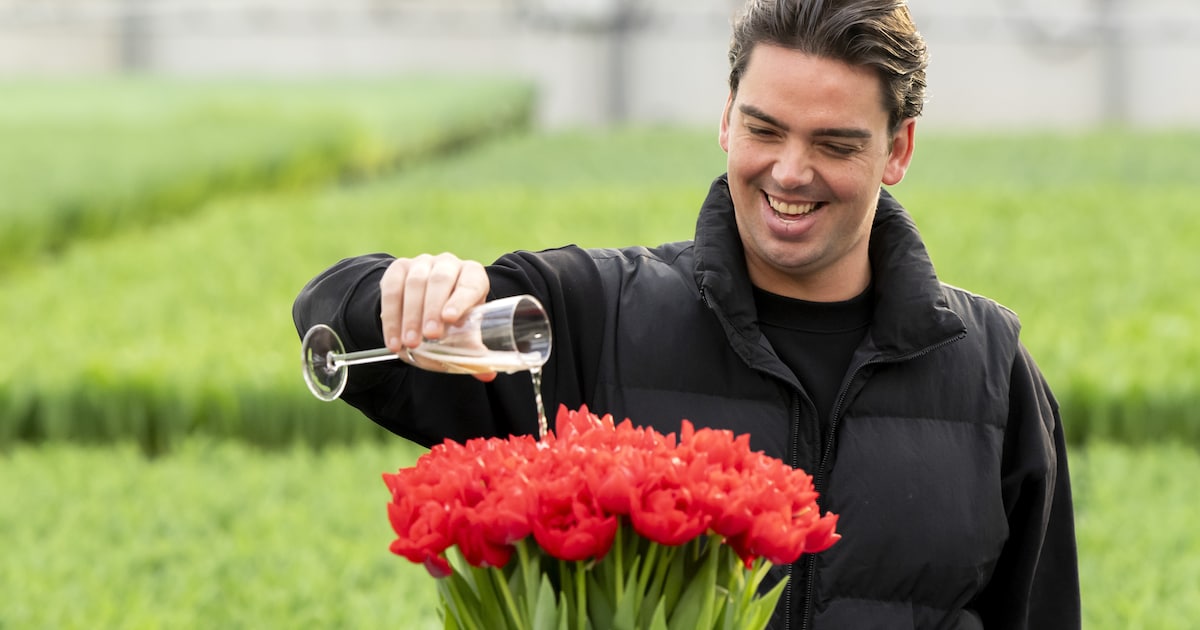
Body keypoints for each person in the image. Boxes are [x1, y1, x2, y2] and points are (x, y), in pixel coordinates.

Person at [293, 0, 1081, 627]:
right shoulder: (595, 316)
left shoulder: (989, 375)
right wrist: (396, 289)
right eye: (764, 129)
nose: (790, 170)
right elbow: (346, 324)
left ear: (899, 150)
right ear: (726, 118)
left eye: (835, 144)